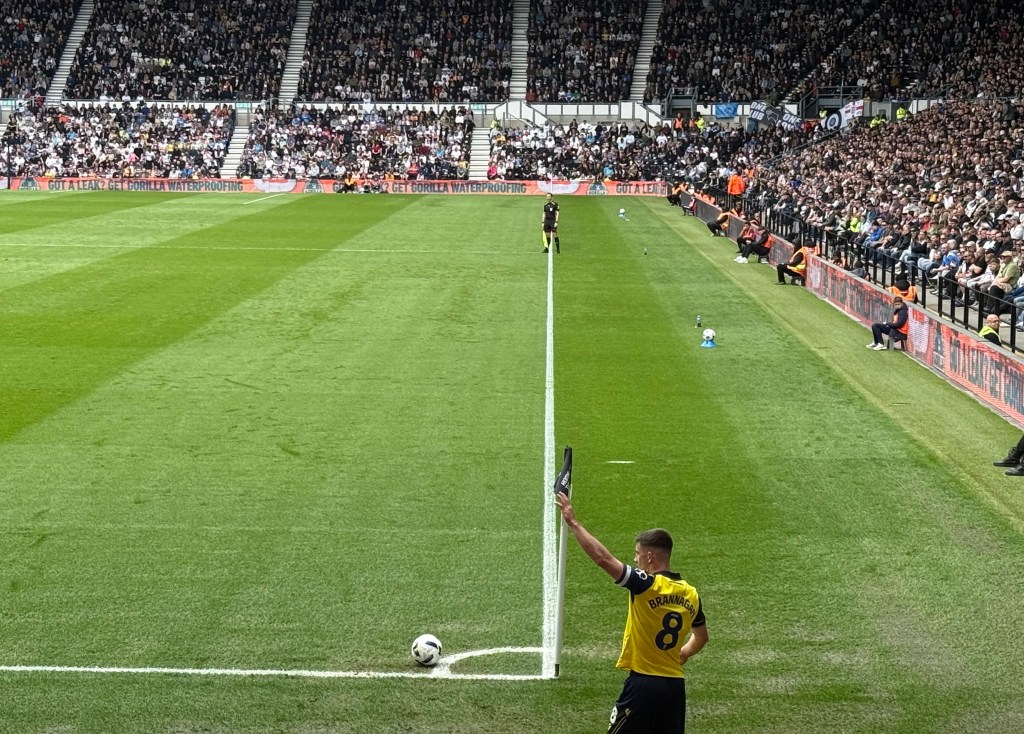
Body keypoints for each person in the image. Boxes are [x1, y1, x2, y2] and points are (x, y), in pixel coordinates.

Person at [555, 490, 708, 734]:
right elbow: (701, 637)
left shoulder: (646, 585)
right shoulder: (691, 593)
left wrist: (573, 522)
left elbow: (603, 559)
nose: (635, 560)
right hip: (675, 688)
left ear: (650, 556)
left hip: (644, 685)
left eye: (637, 554)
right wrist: (684, 653)